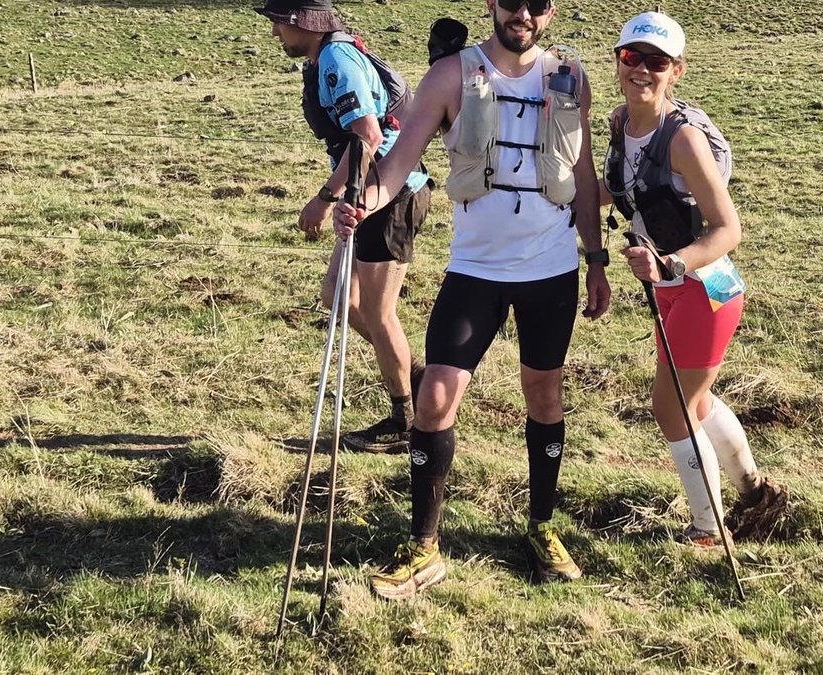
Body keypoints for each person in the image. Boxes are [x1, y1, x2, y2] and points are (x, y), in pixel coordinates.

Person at [335, 1, 611, 599]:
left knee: (544, 393)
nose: (524, 14)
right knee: (434, 397)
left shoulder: (571, 75)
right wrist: (364, 202)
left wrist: (595, 261)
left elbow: (585, 177)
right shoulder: (452, 74)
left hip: (551, 268)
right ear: (492, 5)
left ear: (551, 10)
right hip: (476, 270)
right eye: (512, 2)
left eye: (537, 4)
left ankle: (541, 527)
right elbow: (398, 162)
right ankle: (424, 546)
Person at [603, 12, 787, 547]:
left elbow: (730, 229)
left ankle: (708, 529)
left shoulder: (683, 138)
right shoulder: (621, 124)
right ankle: (755, 493)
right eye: (631, 57)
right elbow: (620, 189)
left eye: (656, 62)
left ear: (676, 70)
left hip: (706, 292)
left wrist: (671, 264)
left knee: (671, 406)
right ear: (618, 60)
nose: (641, 70)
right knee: (696, 402)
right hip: (669, 293)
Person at [256, 0, 430, 454]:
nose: (275, 32)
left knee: (377, 312)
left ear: (301, 22)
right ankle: (417, 379)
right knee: (335, 294)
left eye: (278, 22)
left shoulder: (337, 59)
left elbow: (367, 136)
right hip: (366, 192)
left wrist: (324, 198)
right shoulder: (328, 55)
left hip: (389, 195)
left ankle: (406, 420)